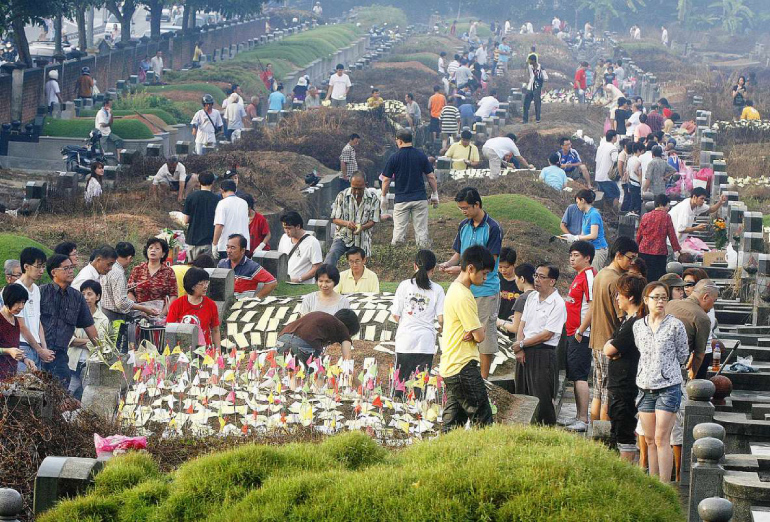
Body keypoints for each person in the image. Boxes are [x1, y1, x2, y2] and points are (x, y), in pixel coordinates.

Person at [438, 188, 502, 379]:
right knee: (464, 331)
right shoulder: (463, 225)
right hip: (466, 286)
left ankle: (483, 378)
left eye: (466, 208)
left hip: (486, 288)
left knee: (483, 332)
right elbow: (459, 253)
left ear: (477, 205)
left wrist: (462, 270)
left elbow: (491, 259)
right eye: (460, 208)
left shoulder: (493, 227)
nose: (463, 211)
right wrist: (449, 264)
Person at [634, 281, 688, 483]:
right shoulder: (639, 326)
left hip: (668, 387)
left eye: (664, 297)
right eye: (655, 297)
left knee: (661, 438)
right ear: (646, 300)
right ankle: (652, 483)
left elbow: (683, 356)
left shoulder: (676, 325)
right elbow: (641, 351)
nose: (660, 301)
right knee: (649, 440)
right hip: (645, 386)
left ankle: (665, 485)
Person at [440, 245, 495, 431]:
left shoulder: (455, 290)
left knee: (452, 425)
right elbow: (480, 336)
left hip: (451, 366)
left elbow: (474, 332)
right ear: (470, 268)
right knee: (484, 419)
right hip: (463, 366)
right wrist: (477, 331)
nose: (485, 278)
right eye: (484, 273)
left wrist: (474, 331)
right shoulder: (464, 296)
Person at [587, 236, 639, 421]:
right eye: (630, 258)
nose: (632, 262)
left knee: (598, 392)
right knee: (609, 394)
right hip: (611, 344)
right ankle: (605, 436)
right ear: (618, 255)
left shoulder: (600, 274)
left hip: (597, 341)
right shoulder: (618, 282)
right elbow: (622, 317)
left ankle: (594, 433)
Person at [514, 263, 567, 425]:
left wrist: (521, 344)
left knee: (542, 396)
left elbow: (547, 334)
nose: (536, 280)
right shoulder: (531, 297)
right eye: (536, 275)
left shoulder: (558, 303)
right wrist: (519, 347)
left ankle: (547, 429)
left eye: (541, 277)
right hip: (524, 350)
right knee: (522, 393)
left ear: (552, 281)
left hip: (543, 354)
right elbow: (522, 324)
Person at [604, 273, 646, 461]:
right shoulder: (626, 320)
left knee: (624, 433)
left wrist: (612, 348)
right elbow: (611, 346)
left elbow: (610, 348)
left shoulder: (635, 323)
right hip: (617, 383)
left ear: (630, 297)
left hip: (625, 385)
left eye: (619, 294)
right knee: (616, 428)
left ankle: (625, 472)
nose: (616, 298)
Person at [40, 255, 99, 387]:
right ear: (53, 272)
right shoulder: (41, 293)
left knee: (61, 392)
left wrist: (102, 349)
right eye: (66, 268)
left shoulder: (76, 297)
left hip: (60, 355)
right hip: (39, 352)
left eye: (72, 267)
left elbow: (89, 327)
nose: (71, 271)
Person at [391, 249, 444, 394]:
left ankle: (398, 411)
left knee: (400, 384)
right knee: (420, 386)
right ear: (433, 270)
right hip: (425, 342)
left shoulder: (404, 285)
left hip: (405, 340)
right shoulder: (438, 289)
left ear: (414, 265)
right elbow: (441, 319)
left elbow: (395, 315)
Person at [381, 129, 438, 248]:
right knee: (422, 231)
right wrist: (435, 193)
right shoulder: (421, 155)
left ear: (400, 141)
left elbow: (386, 179)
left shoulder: (394, 157)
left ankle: (397, 257)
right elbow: (431, 177)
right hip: (420, 198)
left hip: (401, 199)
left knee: (399, 232)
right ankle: (423, 258)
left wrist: (384, 196)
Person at [563, 241, 597, 432]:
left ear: (587, 257)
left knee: (580, 376)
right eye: (571, 255)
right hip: (572, 332)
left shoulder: (589, 276)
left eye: (576, 255)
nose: (572, 258)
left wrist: (580, 330)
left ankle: (583, 419)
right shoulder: (579, 276)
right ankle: (578, 416)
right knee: (575, 376)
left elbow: (592, 305)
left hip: (581, 334)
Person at [67, 280, 111, 399]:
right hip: (72, 363)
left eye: (90, 294)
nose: (86, 297)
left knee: (88, 397)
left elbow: (100, 345)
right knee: (66, 395)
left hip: (90, 365)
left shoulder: (103, 320)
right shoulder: (73, 315)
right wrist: (89, 341)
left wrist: (77, 341)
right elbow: (68, 339)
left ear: (98, 296)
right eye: (83, 294)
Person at [667, 279, 718, 380]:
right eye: (714, 301)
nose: (713, 306)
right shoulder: (702, 318)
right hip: (674, 366)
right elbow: (699, 354)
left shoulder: (671, 304)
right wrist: (692, 377)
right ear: (706, 297)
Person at [325, 172, 380, 267]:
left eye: (360, 188)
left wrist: (362, 227)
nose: (357, 192)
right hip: (343, 235)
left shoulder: (373, 199)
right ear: (350, 184)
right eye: (354, 188)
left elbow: (373, 220)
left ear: (365, 185)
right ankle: (325, 277)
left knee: (360, 265)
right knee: (332, 255)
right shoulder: (342, 196)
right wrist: (346, 223)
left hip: (362, 238)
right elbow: (334, 219)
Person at [14, 248, 52, 373]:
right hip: (22, 346)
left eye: (43, 267)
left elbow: (38, 321)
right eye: (38, 267)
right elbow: (21, 326)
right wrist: (40, 350)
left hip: (36, 346)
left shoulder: (36, 289)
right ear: (26, 266)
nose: (42, 271)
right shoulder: (16, 289)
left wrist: (44, 348)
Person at [100, 242, 159, 322]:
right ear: (129, 258)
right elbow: (121, 302)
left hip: (104, 312)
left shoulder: (109, 267)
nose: (131, 261)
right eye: (131, 259)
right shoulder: (118, 273)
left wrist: (126, 287)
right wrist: (143, 308)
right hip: (114, 317)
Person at [166, 268, 221, 350]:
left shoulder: (211, 305)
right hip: (183, 351)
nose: (205, 286)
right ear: (192, 286)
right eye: (202, 284)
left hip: (205, 351)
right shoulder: (177, 304)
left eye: (207, 282)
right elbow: (170, 330)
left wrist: (218, 350)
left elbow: (215, 330)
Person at [276, 309, 359, 362]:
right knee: (317, 372)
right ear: (349, 330)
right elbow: (347, 361)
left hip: (282, 339)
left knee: (292, 370)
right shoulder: (343, 328)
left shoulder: (323, 317)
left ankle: (292, 388)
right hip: (304, 344)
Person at [127, 237, 177, 316]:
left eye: (157, 248)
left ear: (163, 254)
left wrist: (161, 315)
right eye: (150, 248)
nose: (153, 250)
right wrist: (139, 309)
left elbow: (173, 295)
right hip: (139, 314)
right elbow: (129, 291)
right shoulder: (137, 269)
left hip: (159, 315)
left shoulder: (168, 272)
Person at [637, 194, 681, 282]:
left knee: (644, 275)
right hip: (659, 252)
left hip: (644, 251)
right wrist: (677, 249)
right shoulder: (666, 216)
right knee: (658, 277)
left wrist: (636, 246)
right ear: (661, 205)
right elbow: (671, 235)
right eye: (667, 206)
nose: (668, 208)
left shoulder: (645, 216)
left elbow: (639, 234)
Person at [0, 285, 37, 380]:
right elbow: (9, 350)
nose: (21, 306)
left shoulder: (15, 321)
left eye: (23, 302)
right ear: (7, 300)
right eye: (17, 302)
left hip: (9, 376)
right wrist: (7, 351)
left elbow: (13, 348)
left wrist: (24, 359)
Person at [565, 189, 608, 269]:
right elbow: (583, 234)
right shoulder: (585, 214)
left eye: (577, 202)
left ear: (583, 200)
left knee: (592, 275)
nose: (577, 205)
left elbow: (593, 235)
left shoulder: (594, 214)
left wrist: (577, 237)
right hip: (590, 249)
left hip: (598, 249)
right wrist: (573, 239)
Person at [182, 172, 220, 261]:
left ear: (199, 182)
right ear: (213, 182)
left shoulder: (191, 197)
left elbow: (186, 219)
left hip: (192, 240)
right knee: (206, 271)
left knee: (192, 270)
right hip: (208, 240)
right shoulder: (217, 199)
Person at [278, 211, 323, 284]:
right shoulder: (284, 238)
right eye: (284, 228)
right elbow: (280, 260)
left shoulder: (312, 242)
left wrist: (299, 279)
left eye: (289, 228)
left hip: (303, 285)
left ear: (298, 226)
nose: (286, 231)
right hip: (284, 283)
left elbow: (317, 267)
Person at [212, 180, 250, 259]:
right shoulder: (244, 203)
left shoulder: (222, 203)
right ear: (235, 190)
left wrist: (214, 244)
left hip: (226, 246)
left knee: (226, 271)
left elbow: (219, 225)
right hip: (243, 245)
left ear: (221, 190)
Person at [497, 263, 536, 337]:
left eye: (516, 278)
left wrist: (499, 322)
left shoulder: (522, 298)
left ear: (522, 279)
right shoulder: (538, 295)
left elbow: (515, 328)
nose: (515, 281)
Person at [594, 130, 620, 210]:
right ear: (613, 137)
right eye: (616, 137)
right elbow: (615, 160)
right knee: (615, 194)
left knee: (603, 196)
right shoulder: (613, 148)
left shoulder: (600, 147)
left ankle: (604, 213)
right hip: (608, 177)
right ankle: (614, 213)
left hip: (598, 176)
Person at [495, 247, 519, 322]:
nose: (503, 270)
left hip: (512, 323)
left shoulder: (521, 281)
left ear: (514, 265)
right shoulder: (495, 278)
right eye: (500, 267)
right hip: (496, 321)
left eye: (506, 267)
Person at [523, 53, 547, 123]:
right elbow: (529, 75)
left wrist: (540, 81)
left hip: (537, 86)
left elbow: (545, 78)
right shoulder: (530, 67)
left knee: (537, 103)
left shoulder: (541, 68)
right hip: (530, 86)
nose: (529, 62)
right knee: (526, 103)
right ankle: (525, 120)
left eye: (530, 60)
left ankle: (538, 119)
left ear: (534, 60)